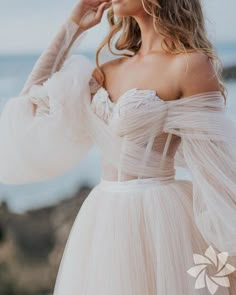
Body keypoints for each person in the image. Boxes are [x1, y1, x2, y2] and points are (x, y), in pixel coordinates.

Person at [0, 0, 236, 294]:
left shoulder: (189, 65)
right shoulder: (106, 71)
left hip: (162, 222)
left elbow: (217, 173)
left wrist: (230, 261)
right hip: (103, 218)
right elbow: (28, 108)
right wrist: (72, 27)